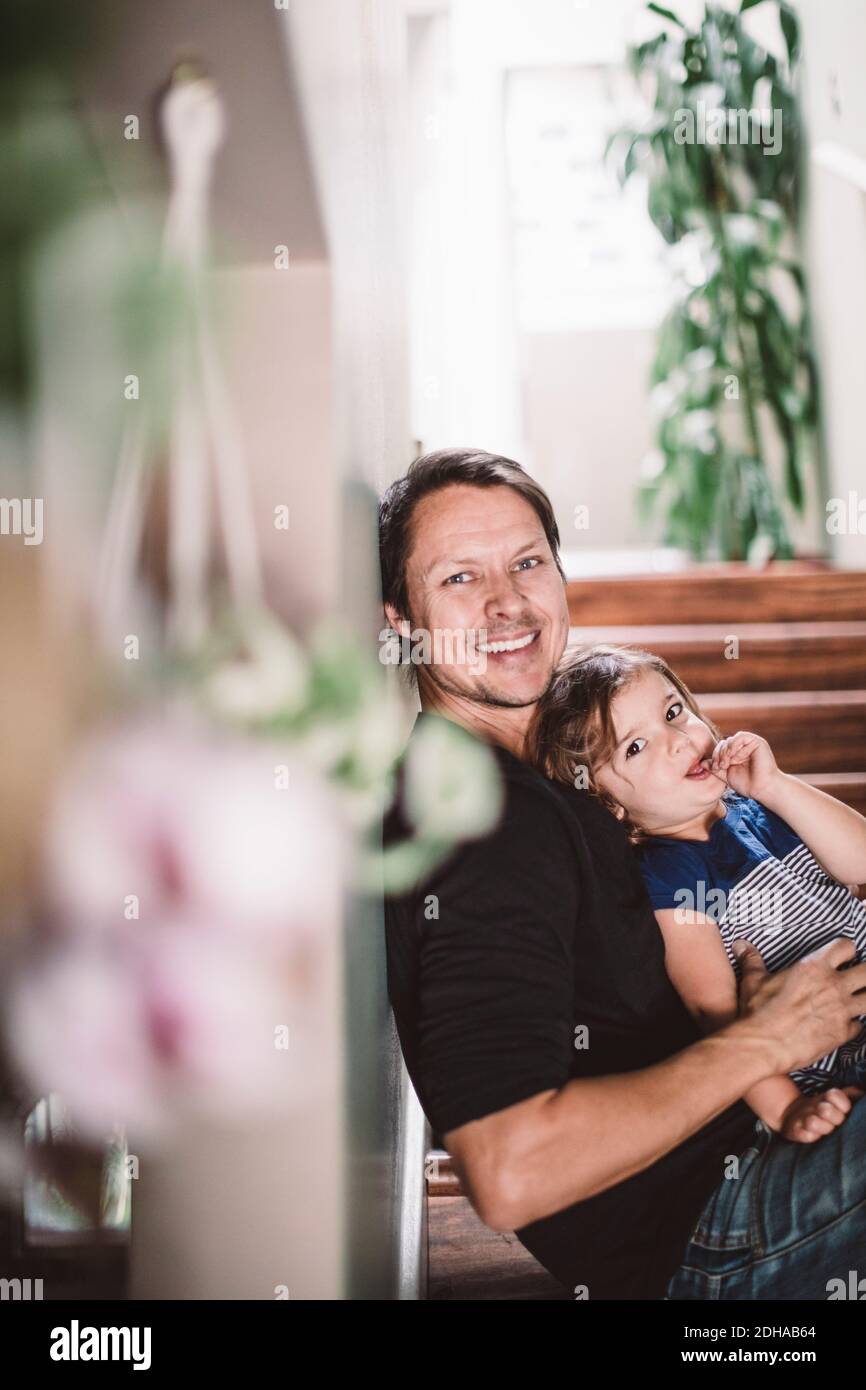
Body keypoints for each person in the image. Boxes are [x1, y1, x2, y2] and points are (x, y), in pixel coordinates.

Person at [380, 447, 866, 1299]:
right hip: (716, 1230)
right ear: (403, 622)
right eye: (460, 578)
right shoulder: (480, 821)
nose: (506, 602)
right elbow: (508, 1171)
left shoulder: (563, 774)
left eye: (528, 562)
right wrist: (764, 1040)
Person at [530, 643, 866, 1145]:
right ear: (609, 805)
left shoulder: (757, 804)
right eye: (635, 747)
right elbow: (715, 1013)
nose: (677, 741)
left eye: (673, 712)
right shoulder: (670, 877)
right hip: (841, 1045)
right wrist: (788, 1110)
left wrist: (775, 787)